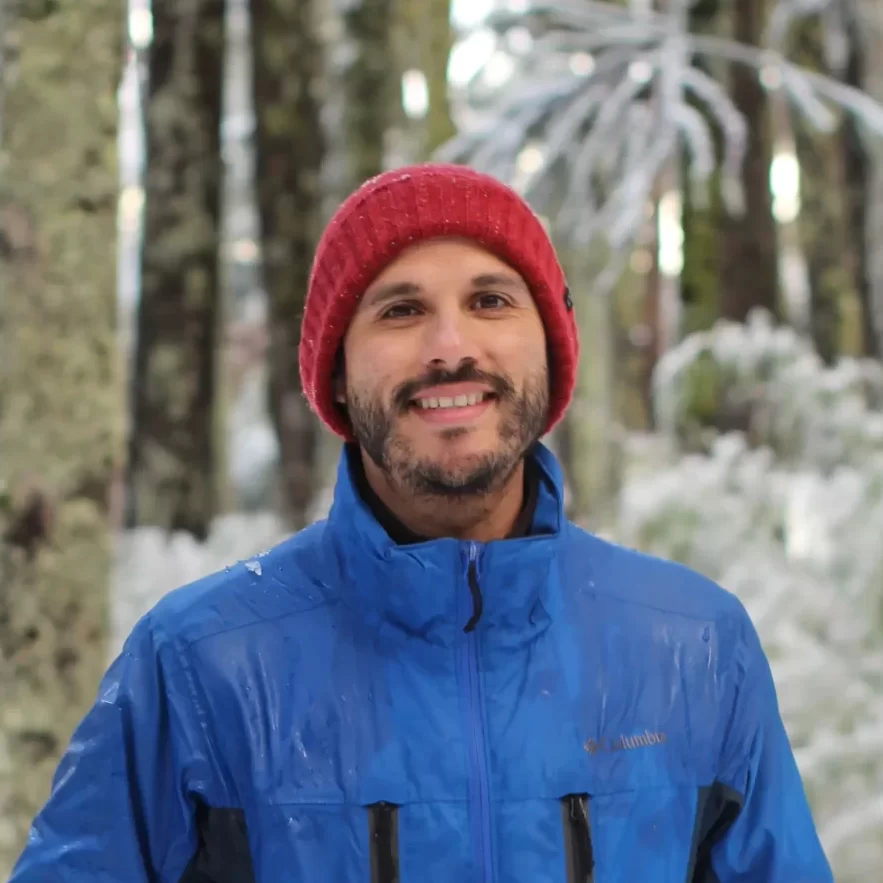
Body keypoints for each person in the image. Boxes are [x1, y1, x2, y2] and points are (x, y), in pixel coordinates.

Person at [10, 164, 832, 883]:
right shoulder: (198, 665)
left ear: (549, 349)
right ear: (335, 371)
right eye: (400, 310)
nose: (450, 346)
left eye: (490, 300)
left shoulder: (692, 647)